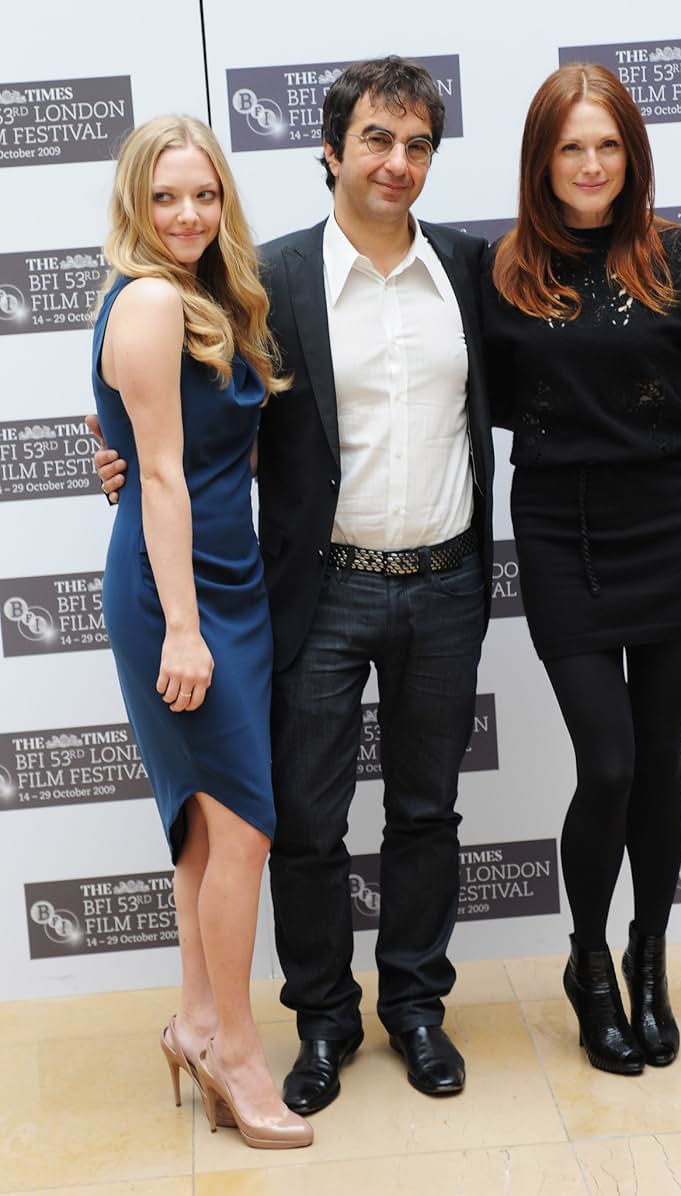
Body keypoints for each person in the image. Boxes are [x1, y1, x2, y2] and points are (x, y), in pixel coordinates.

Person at [93, 59, 494, 1113]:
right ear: (331, 151)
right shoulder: (266, 283)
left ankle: (414, 1005)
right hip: (315, 592)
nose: (394, 162)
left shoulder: (467, 266)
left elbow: (557, 387)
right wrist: (125, 467)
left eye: (415, 145)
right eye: (375, 140)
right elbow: (199, 428)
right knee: (300, 823)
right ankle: (321, 1019)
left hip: (447, 581)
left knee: (427, 811)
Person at [481, 64, 681, 1074]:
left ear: (629, 155)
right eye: (569, 147)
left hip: (672, 533)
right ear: (541, 161)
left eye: (607, 145)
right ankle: (589, 963)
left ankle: (648, 954)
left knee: (660, 760)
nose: (590, 165)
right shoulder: (501, 269)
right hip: (560, 538)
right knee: (610, 762)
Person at [91, 114, 312, 1148]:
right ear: (136, 204)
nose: (187, 214)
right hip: (174, 595)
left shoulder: (214, 298)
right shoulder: (143, 300)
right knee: (246, 829)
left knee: (209, 830)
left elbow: (210, 455)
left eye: (205, 195)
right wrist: (183, 626)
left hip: (232, 583)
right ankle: (236, 1045)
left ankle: (193, 1020)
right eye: (166, 196)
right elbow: (165, 475)